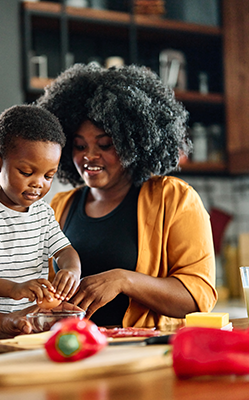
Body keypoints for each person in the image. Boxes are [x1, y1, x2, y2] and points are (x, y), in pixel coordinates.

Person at [36, 63, 217, 329]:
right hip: (71, 349)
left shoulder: (174, 198)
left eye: (105, 144)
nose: (89, 156)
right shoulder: (60, 206)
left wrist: (124, 280)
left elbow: (198, 295)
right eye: (79, 145)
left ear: (133, 141)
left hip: (140, 353)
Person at [0, 105, 81, 313]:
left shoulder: (43, 213)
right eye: (26, 172)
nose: (38, 183)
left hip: (28, 318)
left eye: (48, 176)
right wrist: (14, 289)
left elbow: (64, 251)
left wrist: (71, 270)